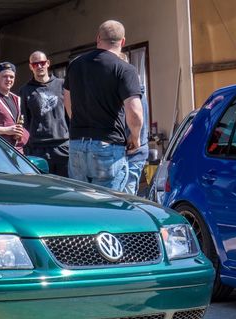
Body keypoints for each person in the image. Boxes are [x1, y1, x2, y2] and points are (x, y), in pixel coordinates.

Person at [63, 20, 143, 191]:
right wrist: (135, 138)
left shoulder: (75, 65)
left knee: (81, 203)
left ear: (98, 38)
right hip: (108, 145)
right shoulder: (124, 69)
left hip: (77, 143)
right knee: (109, 206)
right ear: (122, 41)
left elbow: (68, 101)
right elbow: (135, 112)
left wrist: (80, 124)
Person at [20, 51, 69, 177]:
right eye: (35, 64)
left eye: (42, 63)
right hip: (38, 149)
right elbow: (25, 121)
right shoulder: (25, 90)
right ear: (31, 67)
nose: (39, 66)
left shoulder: (62, 84)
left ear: (48, 63)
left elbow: (71, 114)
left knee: (66, 187)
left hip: (62, 146)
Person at [118, 53, 150, 195]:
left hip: (131, 152)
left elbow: (135, 117)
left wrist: (135, 138)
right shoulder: (136, 89)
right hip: (131, 153)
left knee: (126, 199)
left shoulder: (132, 93)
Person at [0, 62, 29, 154]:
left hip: (17, 152)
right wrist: (6, 130)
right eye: (5, 76)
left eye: (11, 77)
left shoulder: (16, 99)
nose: (8, 79)